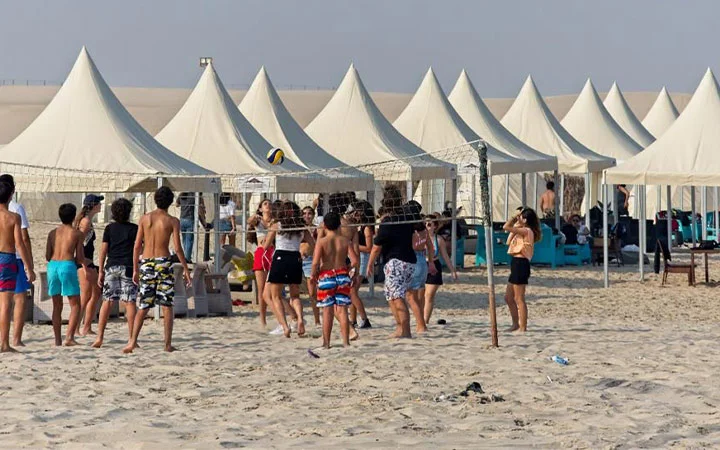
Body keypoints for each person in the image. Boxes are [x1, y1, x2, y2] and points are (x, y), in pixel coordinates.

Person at [123, 187, 191, 353]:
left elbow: (137, 245)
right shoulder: (172, 220)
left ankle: (132, 341)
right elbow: (178, 248)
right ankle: (167, 344)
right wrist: (185, 268)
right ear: (169, 202)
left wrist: (135, 269)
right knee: (167, 304)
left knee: (144, 304)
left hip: (146, 262)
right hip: (163, 262)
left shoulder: (145, 218)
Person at [366, 185, 416, 339]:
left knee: (397, 297)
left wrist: (369, 264)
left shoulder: (387, 223)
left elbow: (376, 247)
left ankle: (406, 331)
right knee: (391, 296)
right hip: (410, 261)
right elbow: (413, 239)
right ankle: (400, 329)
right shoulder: (407, 218)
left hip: (396, 262)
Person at [93, 198, 138, 348]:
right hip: (128, 266)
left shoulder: (110, 228)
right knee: (129, 302)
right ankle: (132, 338)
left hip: (111, 266)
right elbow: (139, 250)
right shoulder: (134, 229)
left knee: (107, 301)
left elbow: (103, 250)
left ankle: (100, 337)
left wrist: (100, 270)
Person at [310, 211, 359, 348]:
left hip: (327, 275)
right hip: (342, 274)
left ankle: (326, 343)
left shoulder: (322, 241)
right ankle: (345, 341)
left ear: (324, 226)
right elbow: (354, 261)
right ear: (339, 226)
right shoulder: (345, 241)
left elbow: (315, 262)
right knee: (342, 310)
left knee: (327, 310)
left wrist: (313, 276)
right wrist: (350, 271)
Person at [264, 201, 312, 338]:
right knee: (295, 295)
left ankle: (285, 326)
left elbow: (266, 246)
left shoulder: (276, 225)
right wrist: (305, 254)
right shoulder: (301, 227)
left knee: (276, 296)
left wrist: (265, 240)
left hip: (280, 257)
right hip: (295, 258)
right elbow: (312, 244)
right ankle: (300, 319)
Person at [0, 181, 34, 352]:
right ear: (11, 195)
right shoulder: (14, 217)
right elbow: (20, 244)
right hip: (7, 258)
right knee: (6, 303)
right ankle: (4, 343)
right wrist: (29, 268)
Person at [46, 203, 86, 347]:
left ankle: (57, 340)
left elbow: (47, 255)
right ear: (74, 216)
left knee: (57, 305)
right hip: (67, 265)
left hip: (52, 266)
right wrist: (84, 262)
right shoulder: (77, 233)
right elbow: (80, 257)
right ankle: (69, 337)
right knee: (75, 304)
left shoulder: (52, 233)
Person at [503, 207, 542, 332]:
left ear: (525, 220)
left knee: (519, 298)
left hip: (521, 263)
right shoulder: (521, 230)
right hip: (516, 263)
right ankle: (516, 323)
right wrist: (517, 224)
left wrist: (514, 218)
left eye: (521, 217)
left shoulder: (527, 231)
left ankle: (523, 327)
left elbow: (505, 226)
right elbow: (508, 241)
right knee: (508, 297)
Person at [74, 194, 104, 337]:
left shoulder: (88, 221)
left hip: (88, 260)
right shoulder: (85, 222)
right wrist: (84, 265)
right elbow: (79, 244)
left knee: (96, 293)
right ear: (93, 205)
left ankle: (87, 326)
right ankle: (75, 327)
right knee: (85, 296)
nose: (100, 205)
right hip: (83, 261)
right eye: (98, 203)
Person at [421, 213, 458, 324]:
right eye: (425, 223)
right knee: (421, 296)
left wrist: (452, 270)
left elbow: (445, 256)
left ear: (435, 226)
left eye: (429, 223)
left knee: (429, 295)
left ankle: (425, 321)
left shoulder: (439, 240)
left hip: (434, 266)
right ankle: (421, 319)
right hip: (422, 266)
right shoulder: (419, 238)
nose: (427, 225)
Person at [248, 198, 273, 327]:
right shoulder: (258, 221)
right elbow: (250, 221)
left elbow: (271, 226)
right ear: (261, 208)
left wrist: (264, 219)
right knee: (261, 288)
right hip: (261, 252)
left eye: (269, 204)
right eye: (265, 204)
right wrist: (256, 216)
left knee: (273, 289)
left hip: (273, 253)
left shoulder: (274, 221)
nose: (268, 205)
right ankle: (263, 319)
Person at [353, 200, 375, 329]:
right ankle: (353, 320)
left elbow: (368, 248)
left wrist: (353, 245)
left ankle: (364, 319)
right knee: (352, 291)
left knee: (353, 291)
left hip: (363, 257)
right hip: (356, 257)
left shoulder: (366, 227)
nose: (355, 213)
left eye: (358, 211)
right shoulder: (356, 226)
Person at [300, 206, 321, 328]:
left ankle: (317, 319)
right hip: (297, 260)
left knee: (312, 293)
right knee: (294, 292)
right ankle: (298, 319)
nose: (307, 216)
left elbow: (319, 245)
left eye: (309, 213)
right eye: (304, 213)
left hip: (310, 260)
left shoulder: (316, 229)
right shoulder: (297, 228)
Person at [176, 192, 207, 263]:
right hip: (190, 219)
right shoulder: (195, 196)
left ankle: (185, 256)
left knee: (184, 240)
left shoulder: (182, 195)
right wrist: (203, 221)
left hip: (182, 219)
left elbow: (177, 204)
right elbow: (200, 211)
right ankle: (187, 259)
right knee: (189, 241)